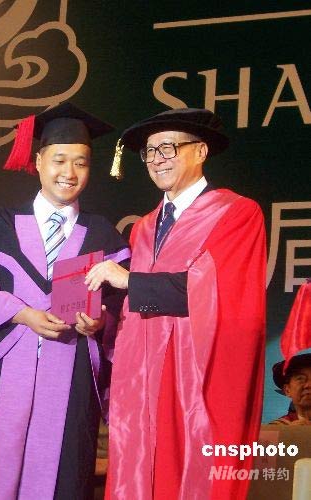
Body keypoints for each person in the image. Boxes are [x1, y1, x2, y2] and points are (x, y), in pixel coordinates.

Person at [0, 103, 130, 500]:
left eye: (81, 163)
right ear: (38, 161)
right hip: (3, 372)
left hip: (71, 373)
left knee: (61, 474)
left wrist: (100, 323)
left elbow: (121, 305)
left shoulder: (103, 235)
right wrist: (21, 313)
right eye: (59, 160)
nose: (69, 173)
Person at [85, 108, 266, 500]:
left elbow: (216, 290)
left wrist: (129, 280)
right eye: (149, 152)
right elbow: (136, 306)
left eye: (168, 147)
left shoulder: (236, 213)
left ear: (200, 151)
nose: (157, 159)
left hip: (193, 378)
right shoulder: (144, 227)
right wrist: (102, 321)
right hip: (141, 381)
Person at [270, 353, 311, 425]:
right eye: (300, 379)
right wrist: (291, 431)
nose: (309, 385)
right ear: (287, 390)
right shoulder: (278, 427)